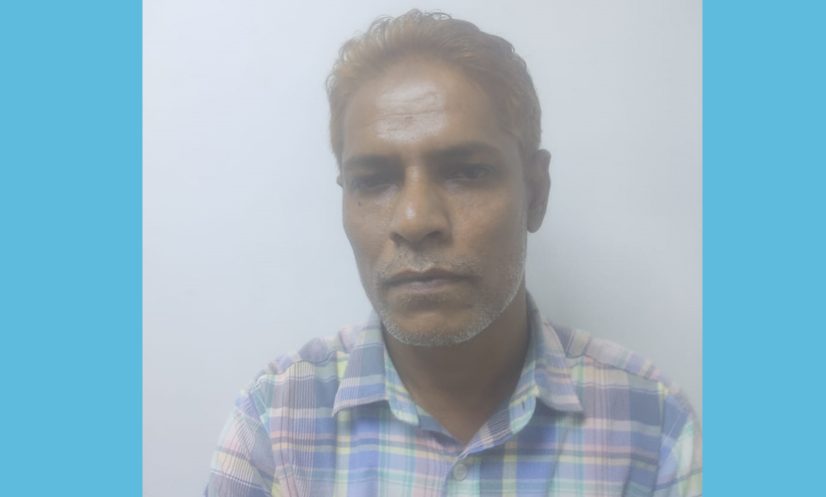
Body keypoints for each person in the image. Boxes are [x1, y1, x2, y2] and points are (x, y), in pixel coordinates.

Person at [205, 10, 701, 497]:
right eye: (373, 181)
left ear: (535, 193)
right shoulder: (275, 422)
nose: (415, 220)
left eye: (466, 172)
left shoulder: (653, 428)